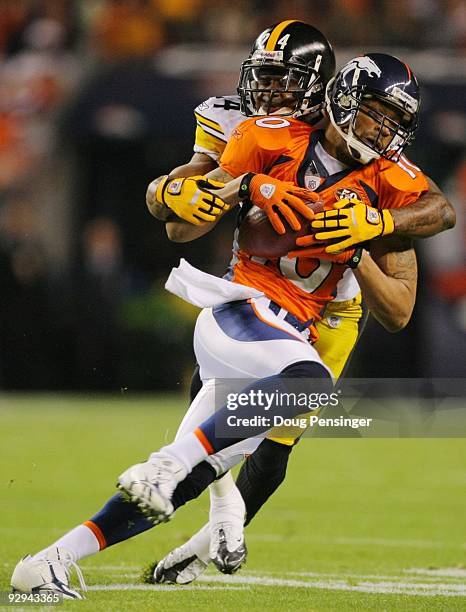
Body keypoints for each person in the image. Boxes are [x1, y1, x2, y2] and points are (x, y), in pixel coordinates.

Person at [10, 23, 454, 598]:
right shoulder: (261, 136)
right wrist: (248, 188)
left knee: (199, 476)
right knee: (301, 385)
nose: (269, 94)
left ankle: (51, 560)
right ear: (343, 99)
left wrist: (368, 236)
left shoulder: (387, 182)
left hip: (322, 321)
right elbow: (182, 205)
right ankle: (174, 464)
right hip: (244, 307)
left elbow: (432, 224)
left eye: (283, 81)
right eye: (375, 113)